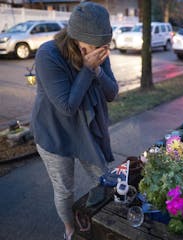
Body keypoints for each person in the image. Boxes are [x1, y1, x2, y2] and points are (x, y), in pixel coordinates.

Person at [30, 2, 118, 240]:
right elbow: (67, 107)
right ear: (77, 38)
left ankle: (105, 221)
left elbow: (112, 94)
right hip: (54, 132)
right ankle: (70, 229)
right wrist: (88, 69)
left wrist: (98, 70)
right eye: (97, 45)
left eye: (104, 45)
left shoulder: (97, 51)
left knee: (104, 178)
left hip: (85, 130)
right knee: (64, 189)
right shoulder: (48, 55)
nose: (101, 50)